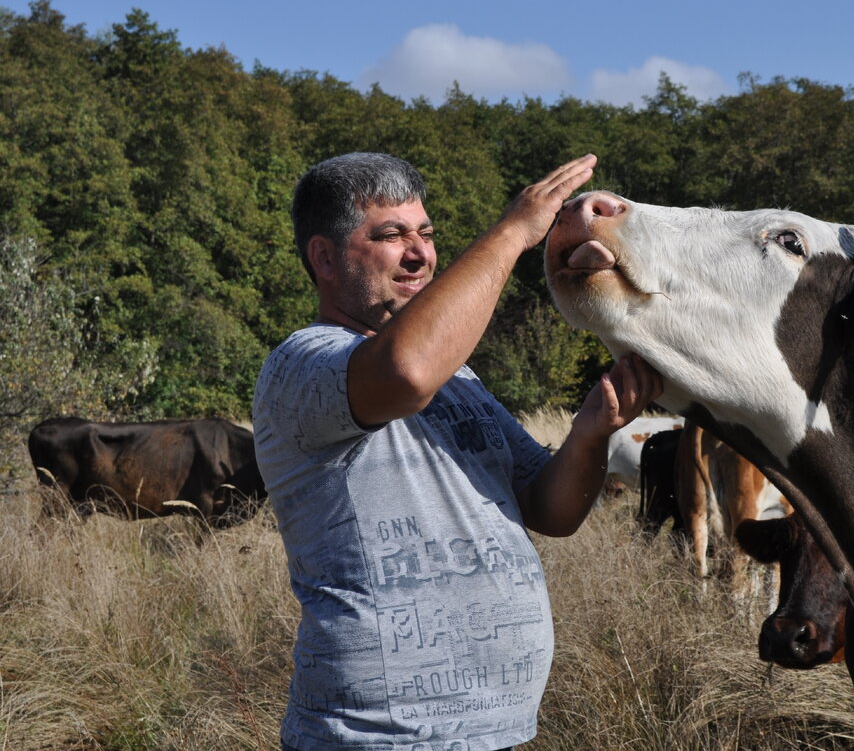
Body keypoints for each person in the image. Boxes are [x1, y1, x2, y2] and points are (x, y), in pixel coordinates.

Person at [252, 151, 661, 751]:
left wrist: (591, 433)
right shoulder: (301, 363)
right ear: (324, 257)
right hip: (376, 738)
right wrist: (514, 232)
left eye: (426, 232)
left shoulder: (459, 379)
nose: (420, 253)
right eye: (390, 235)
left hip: (495, 731)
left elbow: (551, 511)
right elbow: (406, 370)